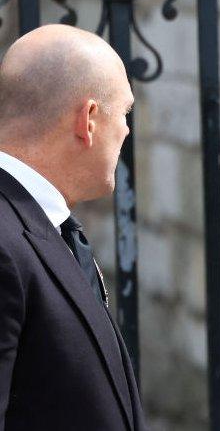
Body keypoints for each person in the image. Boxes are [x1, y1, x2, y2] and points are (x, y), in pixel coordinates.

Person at [0, 25, 146, 430]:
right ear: (89, 119)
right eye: (124, 113)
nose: (127, 131)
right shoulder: (6, 242)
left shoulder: (45, 227)